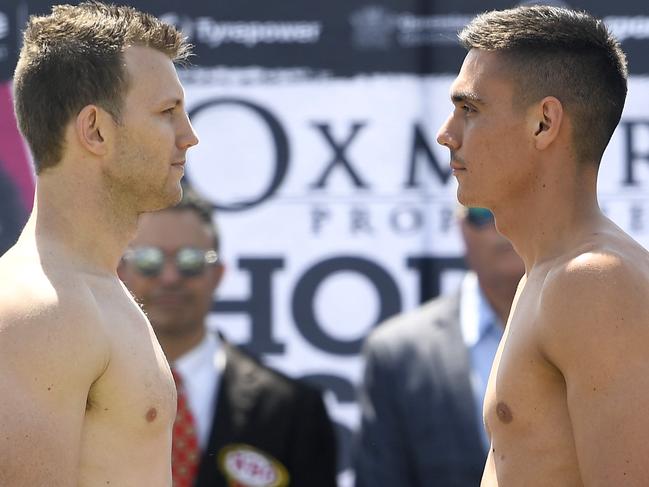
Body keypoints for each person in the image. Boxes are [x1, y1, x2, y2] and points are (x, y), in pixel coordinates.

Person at [436, 5, 649, 486]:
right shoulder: (554, 274)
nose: (446, 134)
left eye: (469, 109)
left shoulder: (593, 282)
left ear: (543, 124)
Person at [0, 2, 199, 485]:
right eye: (167, 112)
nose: (188, 136)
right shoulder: (41, 311)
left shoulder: (85, 291)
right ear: (95, 130)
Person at [118, 183, 338, 487]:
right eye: (149, 261)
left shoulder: (293, 409)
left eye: (190, 261)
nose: (169, 277)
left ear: (218, 274)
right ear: (121, 271)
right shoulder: (80, 396)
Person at [354, 207, 524, 486]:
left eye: (522, 204)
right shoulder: (397, 352)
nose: (502, 224)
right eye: (483, 212)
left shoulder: (598, 332)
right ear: (459, 226)